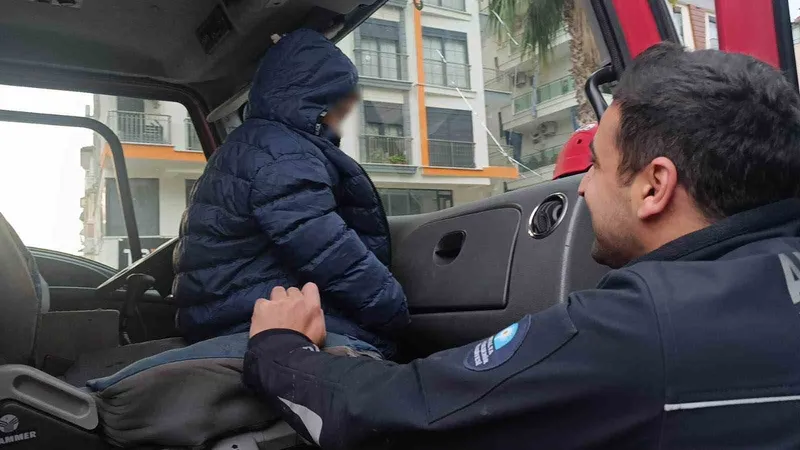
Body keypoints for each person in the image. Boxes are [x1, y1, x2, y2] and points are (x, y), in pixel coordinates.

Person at [241, 42, 800, 449]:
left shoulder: (642, 329)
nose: (581, 187)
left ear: (655, 186)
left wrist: (279, 348)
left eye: (595, 166)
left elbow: (388, 417)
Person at [172, 29, 409, 358]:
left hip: (219, 313)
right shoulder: (284, 156)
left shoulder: (248, 145)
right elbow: (329, 251)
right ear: (314, 98)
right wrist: (394, 310)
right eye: (339, 103)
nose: (342, 114)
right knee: (376, 353)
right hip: (245, 318)